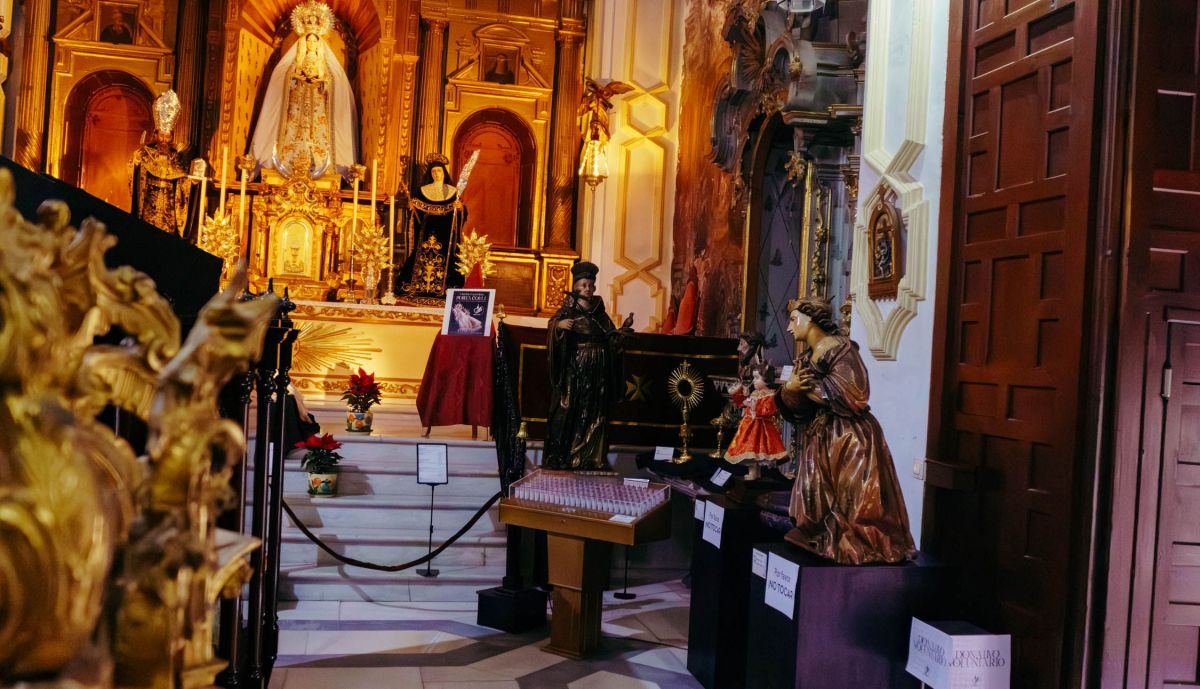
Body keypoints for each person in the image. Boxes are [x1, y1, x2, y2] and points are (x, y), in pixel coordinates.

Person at [776, 297, 915, 565]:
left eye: (794, 320)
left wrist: (808, 389)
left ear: (811, 320)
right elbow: (799, 408)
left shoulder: (841, 350)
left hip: (850, 437)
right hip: (822, 436)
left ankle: (857, 543)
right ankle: (820, 534)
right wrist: (790, 390)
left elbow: (855, 393)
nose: (789, 328)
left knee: (856, 499)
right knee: (812, 497)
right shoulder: (806, 357)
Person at [249, 0, 358, 178]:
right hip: (296, 109)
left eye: (315, 42)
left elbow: (335, 86)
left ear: (319, 43)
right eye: (309, 42)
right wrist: (297, 79)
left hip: (318, 109)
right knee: (293, 134)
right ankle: (286, 164)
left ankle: (323, 167)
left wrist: (321, 80)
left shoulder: (328, 66)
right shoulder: (291, 64)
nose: (312, 45)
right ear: (303, 43)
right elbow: (282, 83)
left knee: (318, 136)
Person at [544, 262, 633, 471]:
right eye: (583, 284)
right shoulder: (567, 312)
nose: (588, 289)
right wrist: (558, 327)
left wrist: (621, 334)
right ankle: (563, 455)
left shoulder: (600, 313)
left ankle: (591, 456)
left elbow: (609, 338)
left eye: (591, 285)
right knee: (568, 408)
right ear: (576, 286)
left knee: (594, 409)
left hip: (598, 369)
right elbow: (552, 328)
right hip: (575, 368)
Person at [397, 156, 467, 301]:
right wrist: (412, 209)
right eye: (433, 171)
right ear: (430, 174)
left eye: (439, 171)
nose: (436, 174)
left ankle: (445, 291)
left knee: (448, 261)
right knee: (420, 256)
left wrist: (460, 209)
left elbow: (459, 215)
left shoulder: (453, 192)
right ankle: (417, 289)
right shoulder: (422, 191)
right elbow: (416, 213)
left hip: (445, 234)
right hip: (425, 232)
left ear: (444, 173)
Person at [725, 366, 788, 468]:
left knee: (761, 449)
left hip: (762, 428)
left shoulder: (770, 395)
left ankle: (763, 469)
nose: (754, 381)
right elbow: (742, 403)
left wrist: (753, 407)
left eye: (757, 378)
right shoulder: (755, 393)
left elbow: (768, 410)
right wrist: (738, 393)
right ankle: (753, 471)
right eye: (753, 378)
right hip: (749, 427)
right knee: (749, 450)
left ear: (766, 380)